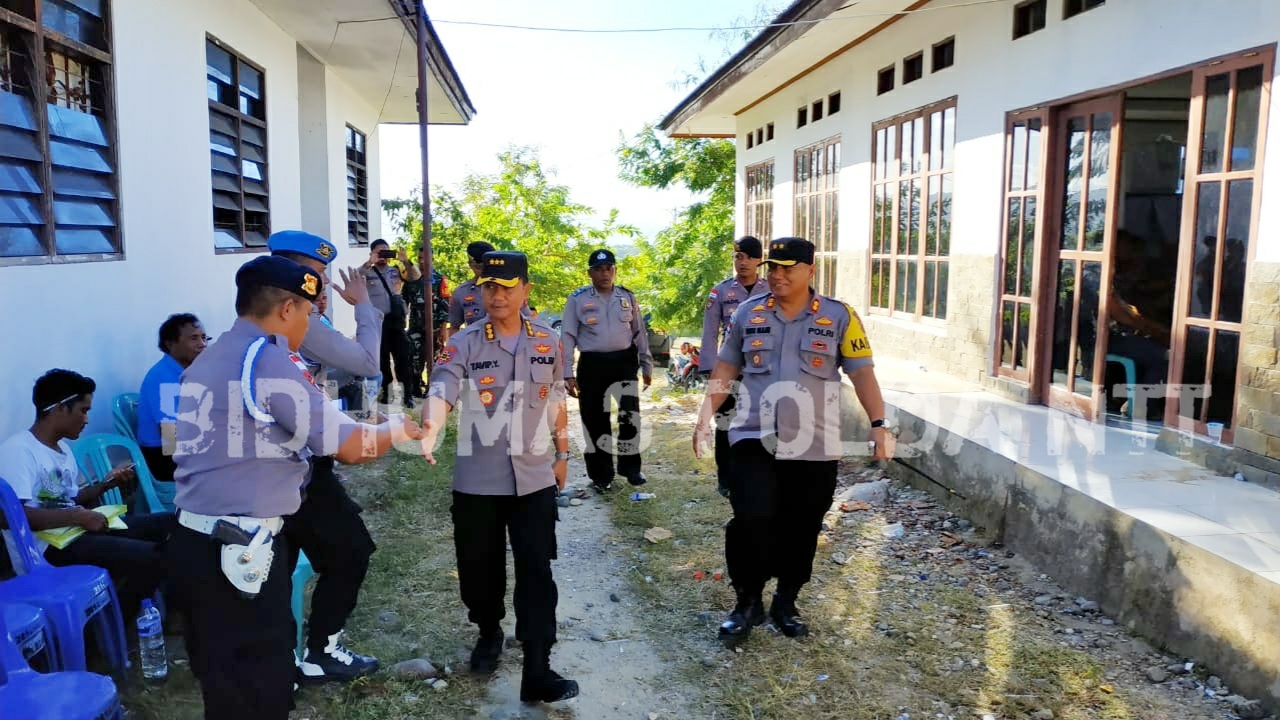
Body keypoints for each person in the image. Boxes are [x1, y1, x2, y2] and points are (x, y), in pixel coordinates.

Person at [169, 255, 423, 718]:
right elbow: (349, 448)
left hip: (199, 541)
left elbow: (265, 432)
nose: (311, 321)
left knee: (225, 685)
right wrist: (399, 429)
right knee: (261, 688)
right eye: (309, 311)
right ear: (287, 308)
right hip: (237, 550)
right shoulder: (267, 359)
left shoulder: (215, 356)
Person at [693, 238, 892, 646]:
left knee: (802, 525)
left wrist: (878, 423)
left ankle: (786, 600)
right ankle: (747, 602)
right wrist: (704, 415)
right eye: (772, 267)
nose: (777, 275)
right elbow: (728, 365)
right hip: (753, 436)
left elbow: (862, 374)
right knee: (751, 519)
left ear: (810, 271)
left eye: (787, 267)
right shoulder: (749, 313)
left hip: (814, 444)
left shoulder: (839, 316)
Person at [421, 251, 578, 704]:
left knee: (536, 571)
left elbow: (556, 399)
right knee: (479, 572)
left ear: (526, 290)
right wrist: (431, 424)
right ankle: (489, 630)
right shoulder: (466, 341)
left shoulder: (548, 340)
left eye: (507, 286)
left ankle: (538, 668)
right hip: (478, 481)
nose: (498, 295)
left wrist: (563, 452)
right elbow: (442, 385)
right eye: (489, 286)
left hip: (534, 479)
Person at [267, 230, 385, 682]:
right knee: (351, 550)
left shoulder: (278, 323)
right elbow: (367, 364)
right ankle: (321, 650)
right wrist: (362, 308)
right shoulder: (296, 322)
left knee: (283, 565)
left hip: (289, 462)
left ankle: (289, 660)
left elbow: (331, 371)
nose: (318, 290)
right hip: (296, 468)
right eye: (312, 276)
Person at [0, 369, 176, 621]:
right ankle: (119, 622)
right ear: (60, 408)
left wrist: (106, 485)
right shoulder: (19, 451)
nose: (86, 419)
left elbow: (68, 499)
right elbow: (8, 516)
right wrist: (77, 516)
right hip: (46, 550)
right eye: (83, 410)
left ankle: (156, 605)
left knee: (170, 522)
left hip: (75, 532)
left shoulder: (62, 449)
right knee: (150, 557)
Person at [561, 248, 653, 491]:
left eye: (608, 269)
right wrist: (567, 372)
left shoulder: (627, 297)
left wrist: (646, 364)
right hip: (592, 363)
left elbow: (639, 332)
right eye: (599, 269)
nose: (604, 274)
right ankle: (601, 475)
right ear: (590, 273)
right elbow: (567, 336)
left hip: (624, 362)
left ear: (614, 270)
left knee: (629, 416)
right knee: (594, 420)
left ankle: (631, 468)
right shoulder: (577, 299)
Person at [698, 236, 768, 498]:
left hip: (759, 371)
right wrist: (708, 368)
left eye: (749, 257)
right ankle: (725, 479)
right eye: (738, 256)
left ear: (759, 260)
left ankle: (750, 474)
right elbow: (709, 333)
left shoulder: (769, 290)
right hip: (728, 369)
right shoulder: (721, 292)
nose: (743, 262)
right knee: (726, 423)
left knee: (756, 423)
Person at [138, 313, 208, 483]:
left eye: (204, 338)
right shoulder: (162, 378)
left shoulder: (190, 372)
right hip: (164, 459)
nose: (202, 344)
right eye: (194, 339)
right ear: (170, 344)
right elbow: (171, 439)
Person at [364, 238, 413, 405]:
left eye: (386, 251)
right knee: (383, 359)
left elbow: (415, 277)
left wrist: (406, 261)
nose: (383, 255)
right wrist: (369, 262)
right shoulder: (367, 272)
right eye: (379, 252)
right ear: (373, 253)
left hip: (397, 321)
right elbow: (354, 278)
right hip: (378, 322)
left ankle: (408, 395)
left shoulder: (396, 270)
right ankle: (386, 392)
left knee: (403, 359)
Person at [403, 243, 450, 395]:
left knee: (436, 360)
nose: (422, 261)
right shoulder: (411, 278)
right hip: (416, 327)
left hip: (435, 328)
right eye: (419, 258)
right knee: (414, 358)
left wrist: (443, 328)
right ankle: (415, 387)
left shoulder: (439, 279)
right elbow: (404, 302)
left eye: (425, 258)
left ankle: (433, 389)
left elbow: (445, 305)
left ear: (432, 259)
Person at [444, 240, 497, 342]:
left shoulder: (508, 288)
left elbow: (528, 320)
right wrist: (453, 353)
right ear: (470, 263)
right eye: (477, 263)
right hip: (474, 351)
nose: (480, 266)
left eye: (484, 263)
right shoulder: (461, 292)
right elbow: (454, 328)